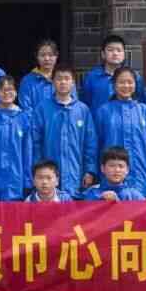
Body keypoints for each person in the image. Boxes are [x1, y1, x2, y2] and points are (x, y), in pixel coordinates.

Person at [32, 65, 99, 199]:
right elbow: (35, 142)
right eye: (59, 79)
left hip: (76, 173)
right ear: (52, 81)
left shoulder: (82, 110)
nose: (63, 82)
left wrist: (90, 170)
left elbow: (90, 143)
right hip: (48, 174)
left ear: (73, 82)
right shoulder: (42, 108)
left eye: (67, 79)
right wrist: (37, 169)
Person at [94, 67, 146, 195]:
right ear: (114, 85)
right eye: (121, 82)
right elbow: (97, 144)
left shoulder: (145, 111)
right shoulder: (103, 111)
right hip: (111, 178)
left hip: (140, 176)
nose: (126, 86)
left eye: (130, 82)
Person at [80, 34, 144, 115]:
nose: (115, 53)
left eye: (119, 50)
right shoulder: (92, 77)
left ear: (124, 54)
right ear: (103, 54)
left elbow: (140, 102)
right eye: (110, 50)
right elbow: (85, 105)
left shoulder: (134, 77)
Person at [81, 146, 146, 201]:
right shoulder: (92, 193)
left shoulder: (135, 196)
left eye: (121, 166)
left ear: (127, 170)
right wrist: (101, 199)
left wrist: (117, 202)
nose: (117, 170)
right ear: (102, 168)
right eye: (112, 165)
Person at [17, 38, 58, 114]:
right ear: (37, 57)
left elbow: (72, 104)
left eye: (50, 55)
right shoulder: (27, 81)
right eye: (42, 55)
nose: (47, 58)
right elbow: (26, 109)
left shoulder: (64, 79)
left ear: (56, 56)